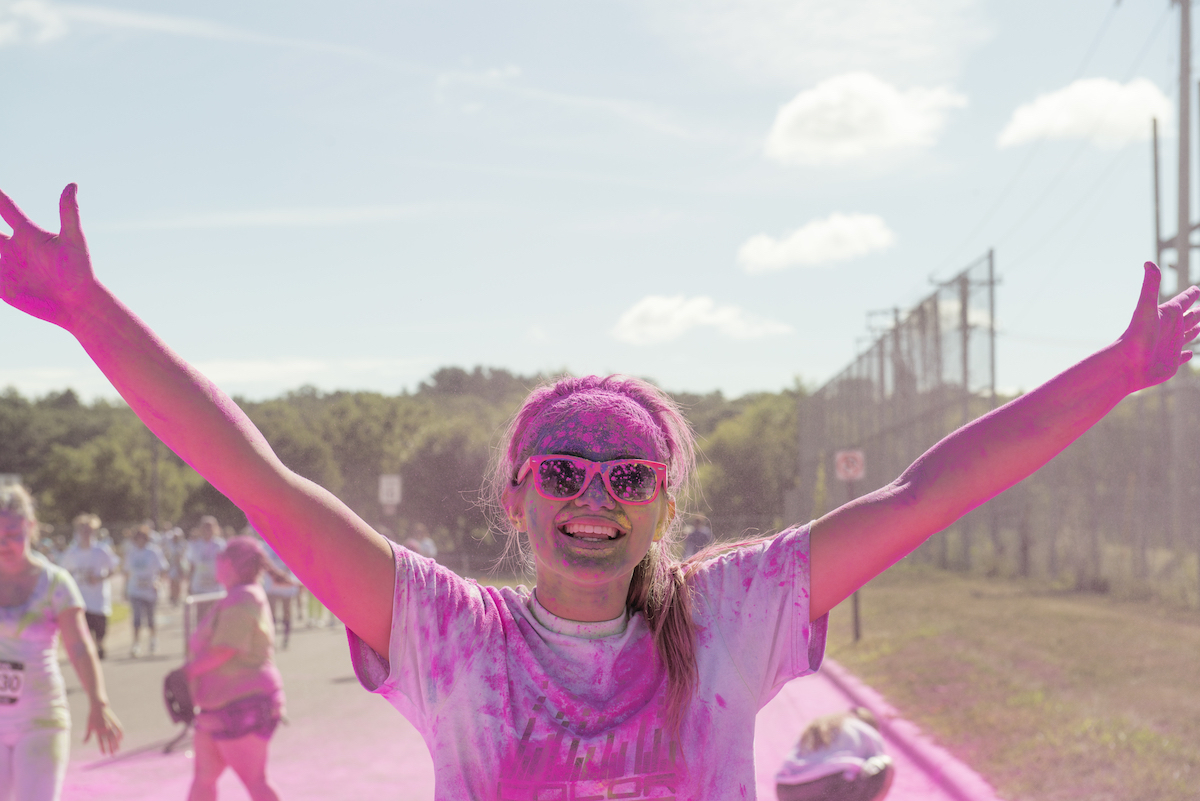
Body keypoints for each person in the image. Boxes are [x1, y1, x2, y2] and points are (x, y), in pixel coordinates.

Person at [1, 184, 1197, 798]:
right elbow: (254, 477)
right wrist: (89, 312)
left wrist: (1116, 374)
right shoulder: (445, 632)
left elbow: (924, 491)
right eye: (562, 471)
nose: (594, 493)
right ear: (517, 497)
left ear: (663, 507)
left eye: (628, 474)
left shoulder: (737, 615)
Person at [0, 483, 122, 800]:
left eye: (13, 534)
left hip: (40, 719)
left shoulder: (55, 583)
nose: (4, 545)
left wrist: (99, 702)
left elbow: (80, 647)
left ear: (31, 527)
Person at [184, 537, 287, 801]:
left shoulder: (244, 597)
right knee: (203, 779)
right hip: (218, 706)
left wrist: (186, 673)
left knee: (255, 781)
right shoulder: (237, 596)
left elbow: (224, 649)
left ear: (228, 563)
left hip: (242, 704)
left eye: (219, 558)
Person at [775, 708, 893, 801]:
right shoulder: (866, 729)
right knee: (886, 763)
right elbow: (876, 761)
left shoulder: (819, 724)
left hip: (785, 788)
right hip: (831, 786)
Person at [58, 513, 119, 660]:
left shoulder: (101, 550)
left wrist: (98, 578)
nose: (86, 534)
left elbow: (114, 568)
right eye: (83, 530)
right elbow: (62, 573)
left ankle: (99, 647)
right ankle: (89, 654)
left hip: (98, 599)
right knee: (83, 632)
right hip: (79, 599)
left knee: (100, 632)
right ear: (77, 532)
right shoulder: (71, 553)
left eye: (89, 530)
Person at [123, 524, 169, 657]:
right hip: (135, 590)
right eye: (138, 538)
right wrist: (124, 589)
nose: (140, 541)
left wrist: (158, 582)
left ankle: (153, 640)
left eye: (143, 538)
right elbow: (126, 572)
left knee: (150, 618)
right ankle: (136, 644)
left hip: (150, 590)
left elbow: (163, 569)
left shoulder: (153, 551)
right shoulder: (131, 552)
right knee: (137, 618)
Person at [187, 516, 227, 624]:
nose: (207, 530)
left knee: (215, 616)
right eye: (205, 527)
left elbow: (225, 565)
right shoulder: (195, 545)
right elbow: (192, 566)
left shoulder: (220, 545)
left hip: (215, 587)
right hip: (199, 586)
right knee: (200, 615)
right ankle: (201, 639)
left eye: (210, 527)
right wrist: (189, 584)